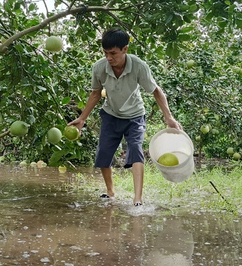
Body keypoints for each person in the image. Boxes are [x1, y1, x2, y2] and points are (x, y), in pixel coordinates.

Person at [68, 28, 182, 206]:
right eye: (105, 53)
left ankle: (137, 199)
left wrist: (169, 117)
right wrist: (82, 118)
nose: (109, 57)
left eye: (113, 53)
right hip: (111, 114)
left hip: (135, 116)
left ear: (125, 49)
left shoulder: (138, 66)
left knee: (135, 150)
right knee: (103, 154)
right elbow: (95, 94)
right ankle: (110, 191)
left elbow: (156, 91)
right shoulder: (99, 68)